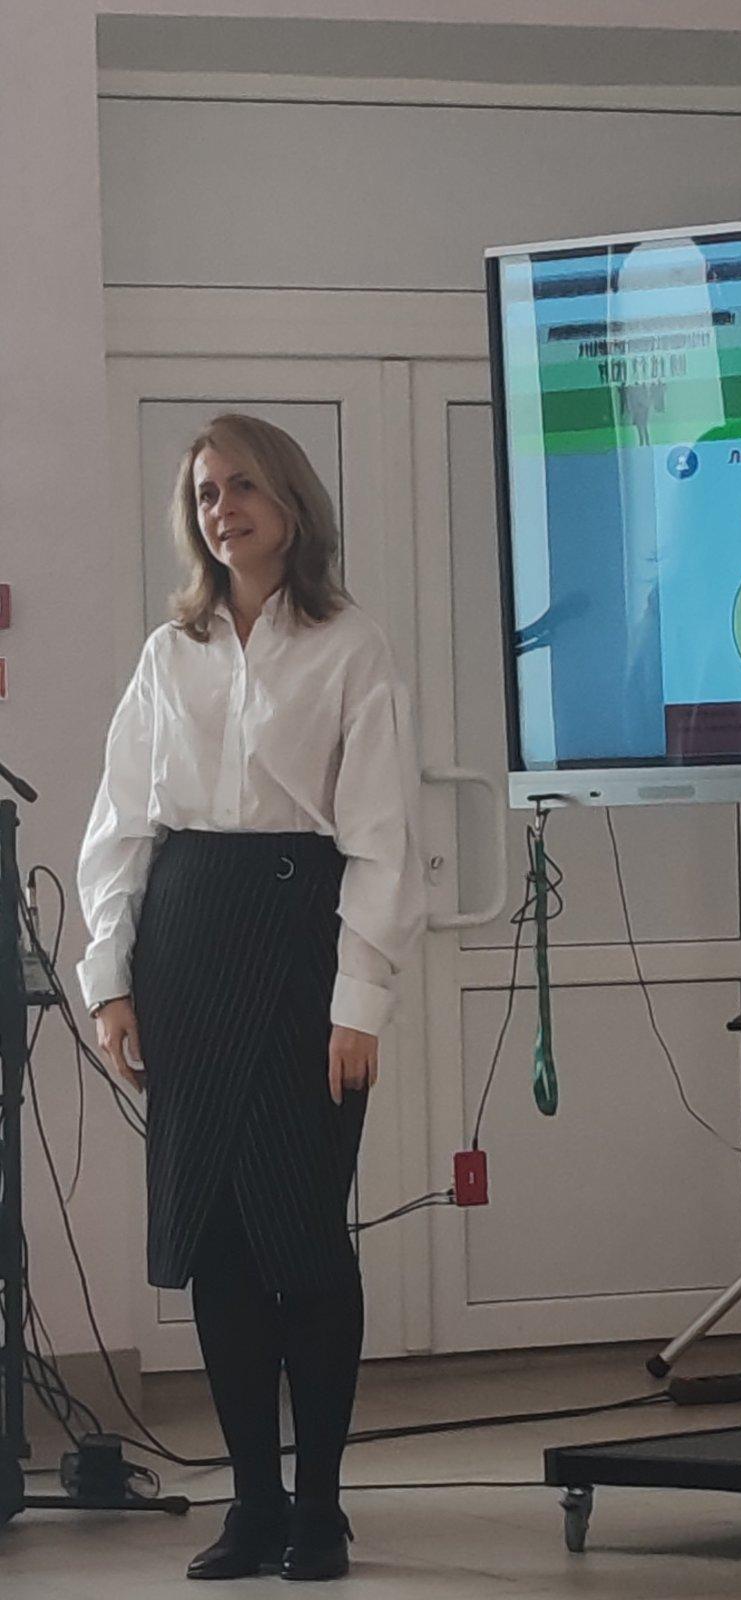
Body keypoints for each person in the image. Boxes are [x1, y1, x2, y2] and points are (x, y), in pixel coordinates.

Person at [75, 414, 426, 1582]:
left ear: (289, 499)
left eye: (240, 486)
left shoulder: (351, 644)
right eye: (204, 494)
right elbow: (121, 826)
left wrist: (359, 998)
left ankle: (319, 1507)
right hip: (186, 950)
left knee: (304, 1238)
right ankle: (255, 1506)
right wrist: (109, 980)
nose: (221, 508)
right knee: (218, 1241)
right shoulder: (165, 652)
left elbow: (383, 836)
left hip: (301, 954)